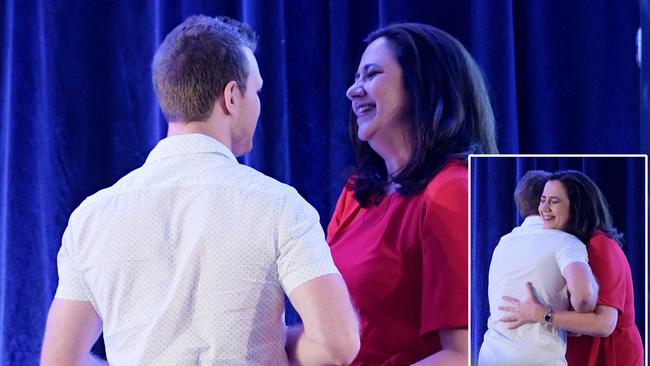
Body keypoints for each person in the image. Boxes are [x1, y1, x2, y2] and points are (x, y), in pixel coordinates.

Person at [40, 15, 359, 366]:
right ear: (232, 97)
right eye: (256, 90)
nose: (258, 103)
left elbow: (59, 361)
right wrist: (275, 342)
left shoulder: (92, 217)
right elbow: (336, 345)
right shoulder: (280, 206)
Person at [326, 23, 498, 365]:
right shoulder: (357, 194)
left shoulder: (451, 191)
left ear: (422, 87)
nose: (352, 91)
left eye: (371, 75)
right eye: (356, 77)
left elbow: (462, 356)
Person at [499, 170, 644, 366]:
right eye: (543, 200)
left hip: (611, 356)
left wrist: (539, 313)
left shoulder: (600, 245)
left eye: (554, 201)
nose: (544, 209)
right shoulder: (571, 246)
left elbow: (604, 324)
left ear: (576, 207)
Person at [477, 170, 598, 366]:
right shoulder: (566, 242)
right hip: (540, 359)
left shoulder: (502, 243)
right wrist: (577, 315)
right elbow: (584, 297)